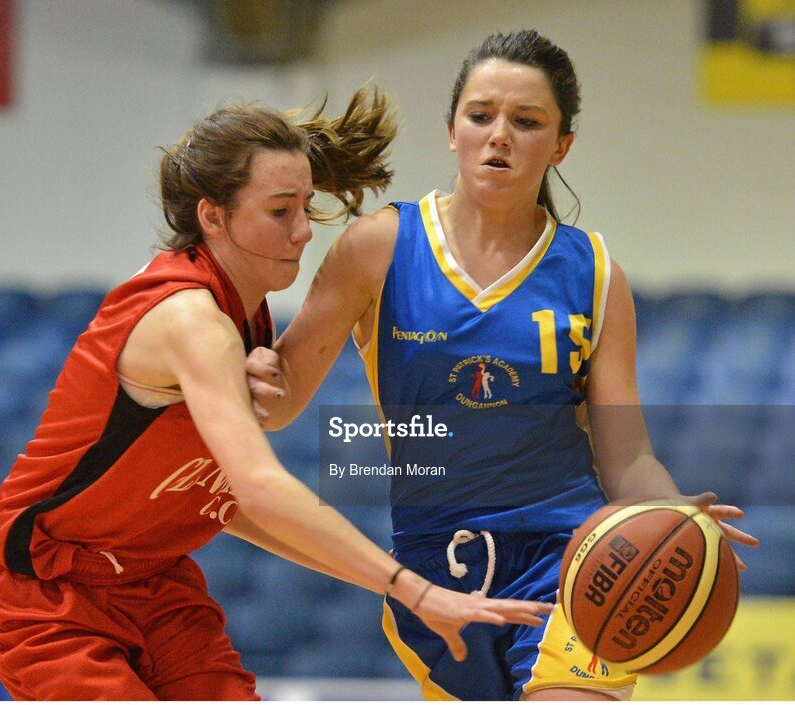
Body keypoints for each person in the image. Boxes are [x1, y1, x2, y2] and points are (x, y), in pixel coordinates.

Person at [0, 86, 552, 701]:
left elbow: (222, 504)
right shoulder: (191, 321)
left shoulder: (249, 317)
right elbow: (259, 490)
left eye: (306, 206)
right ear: (212, 216)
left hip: (154, 583)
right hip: (45, 589)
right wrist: (413, 588)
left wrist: (386, 583)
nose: (302, 231)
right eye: (279, 211)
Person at [245, 32, 759, 701]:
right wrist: (249, 369)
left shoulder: (596, 273)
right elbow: (281, 405)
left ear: (561, 145)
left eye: (527, 121)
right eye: (481, 115)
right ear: (452, 130)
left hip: (570, 563)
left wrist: (669, 510)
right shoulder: (378, 246)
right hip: (435, 568)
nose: (500, 136)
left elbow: (627, 456)